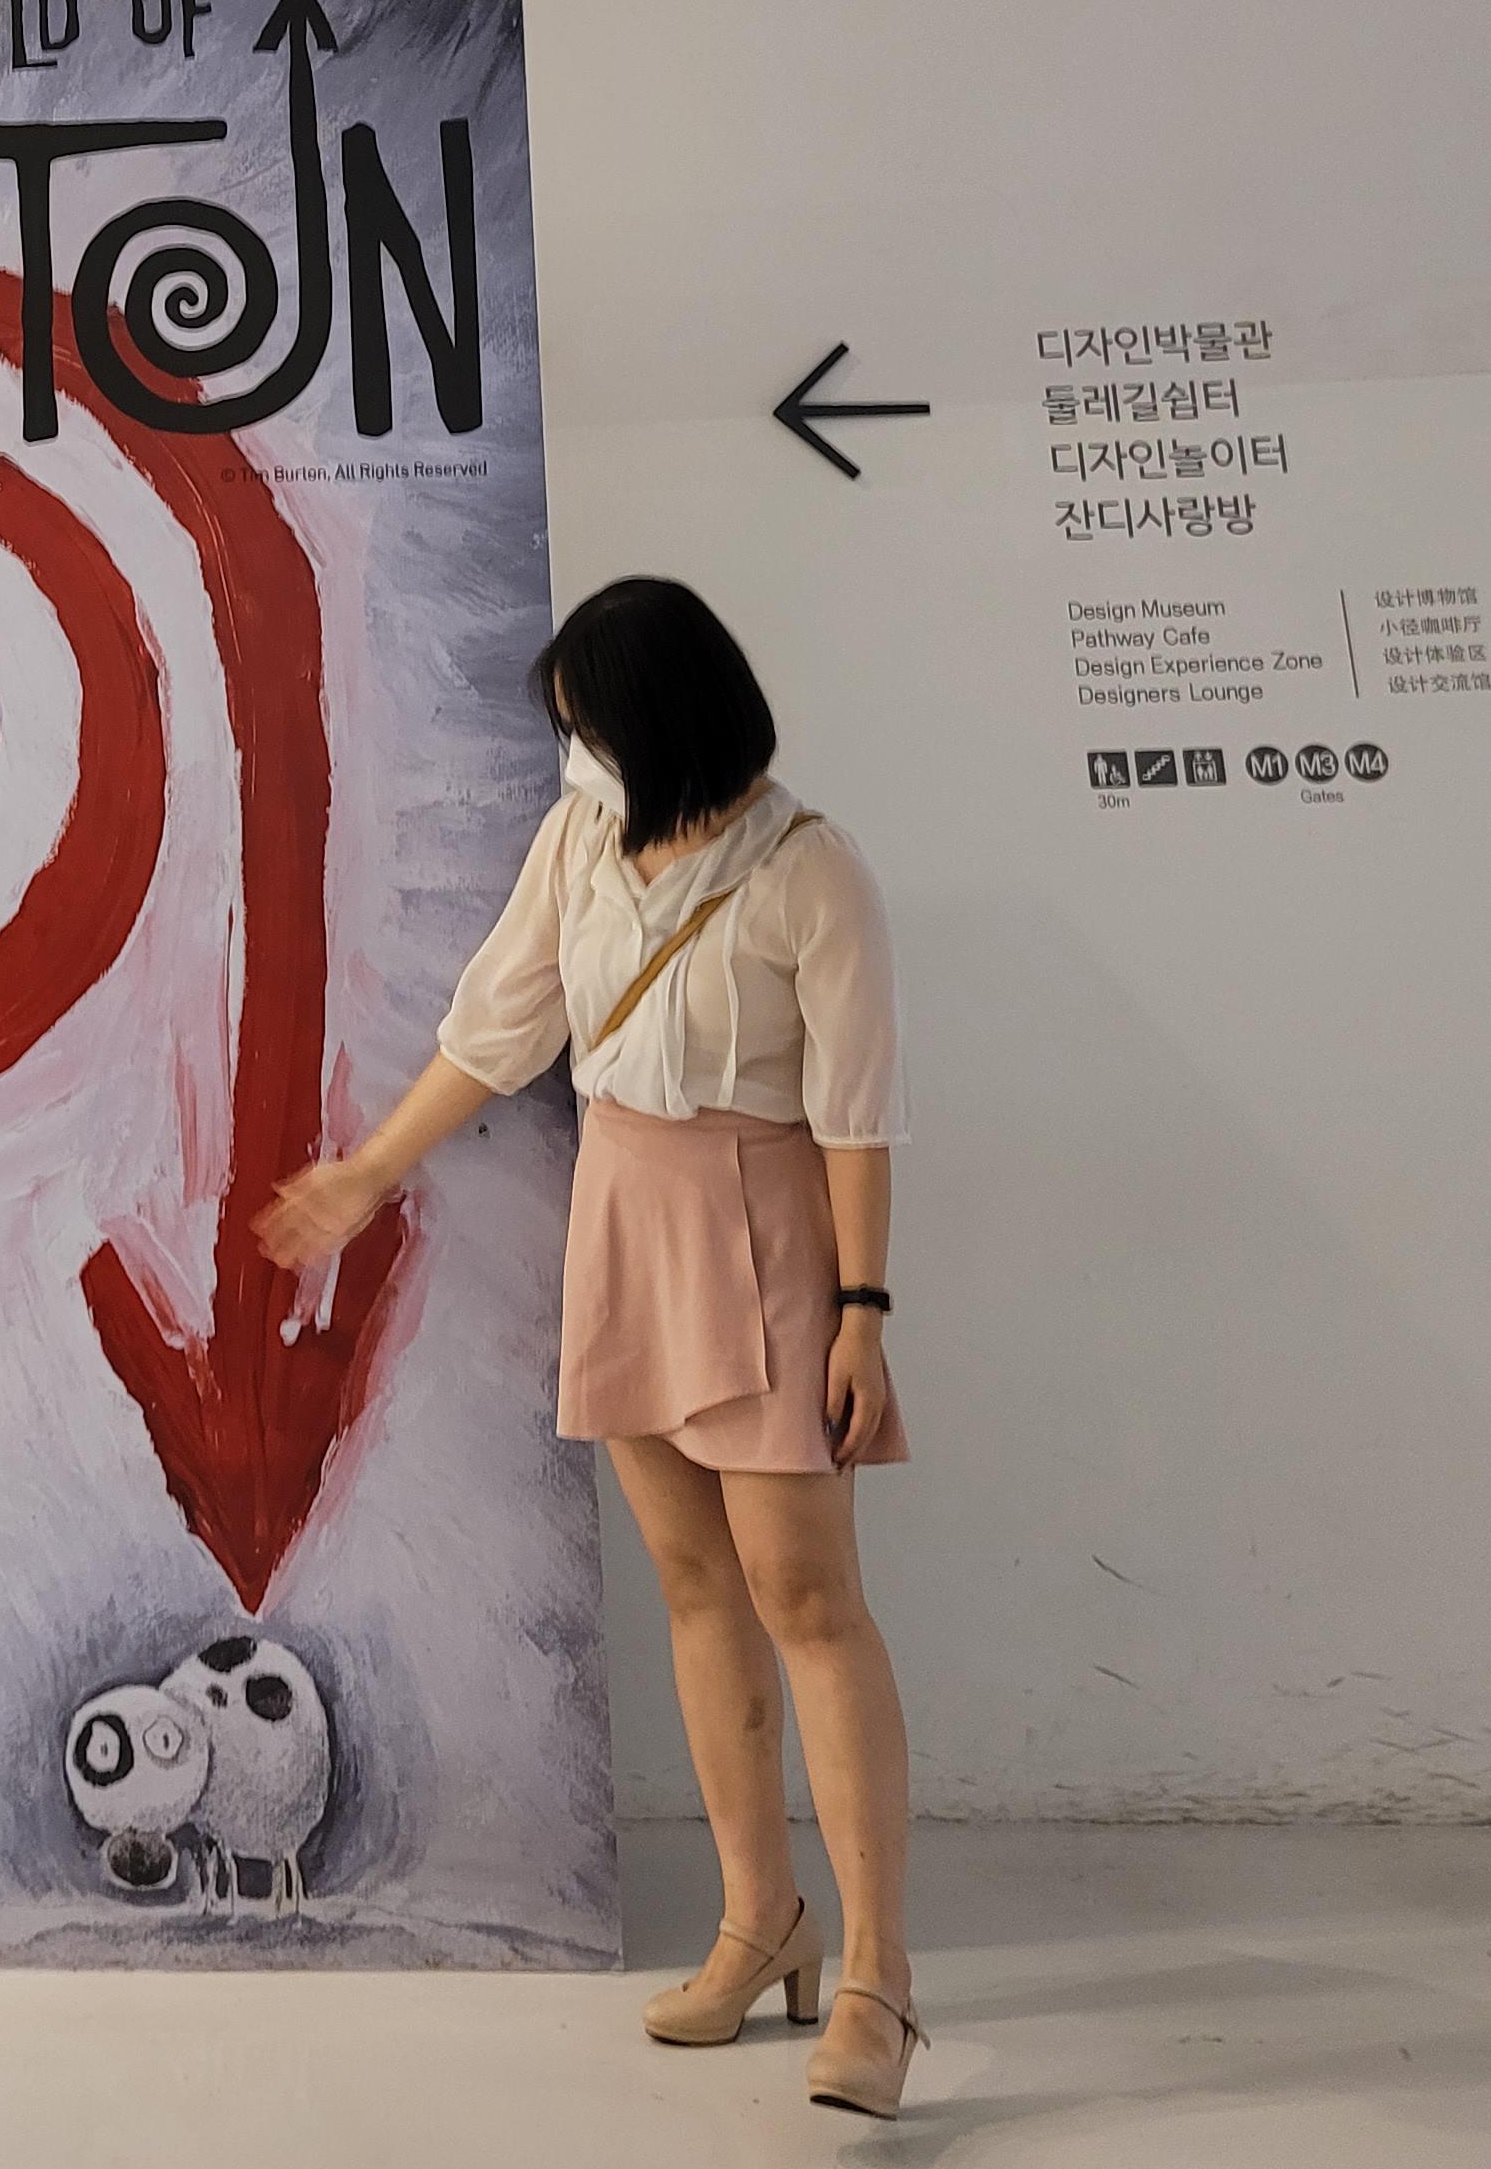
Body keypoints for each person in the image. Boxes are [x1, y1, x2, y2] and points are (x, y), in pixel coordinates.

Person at [257, 576, 925, 2120]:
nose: (573, 755)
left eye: (589, 729)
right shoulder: (580, 843)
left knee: (808, 1598)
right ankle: (761, 1923)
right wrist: (368, 1173)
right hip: (625, 1218)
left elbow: (857, 1116)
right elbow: (499, 1028)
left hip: (762, 1234)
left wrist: (863, 1313)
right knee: (693, 1587)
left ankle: (881, 1981)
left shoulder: (813, 873)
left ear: (663, 724)